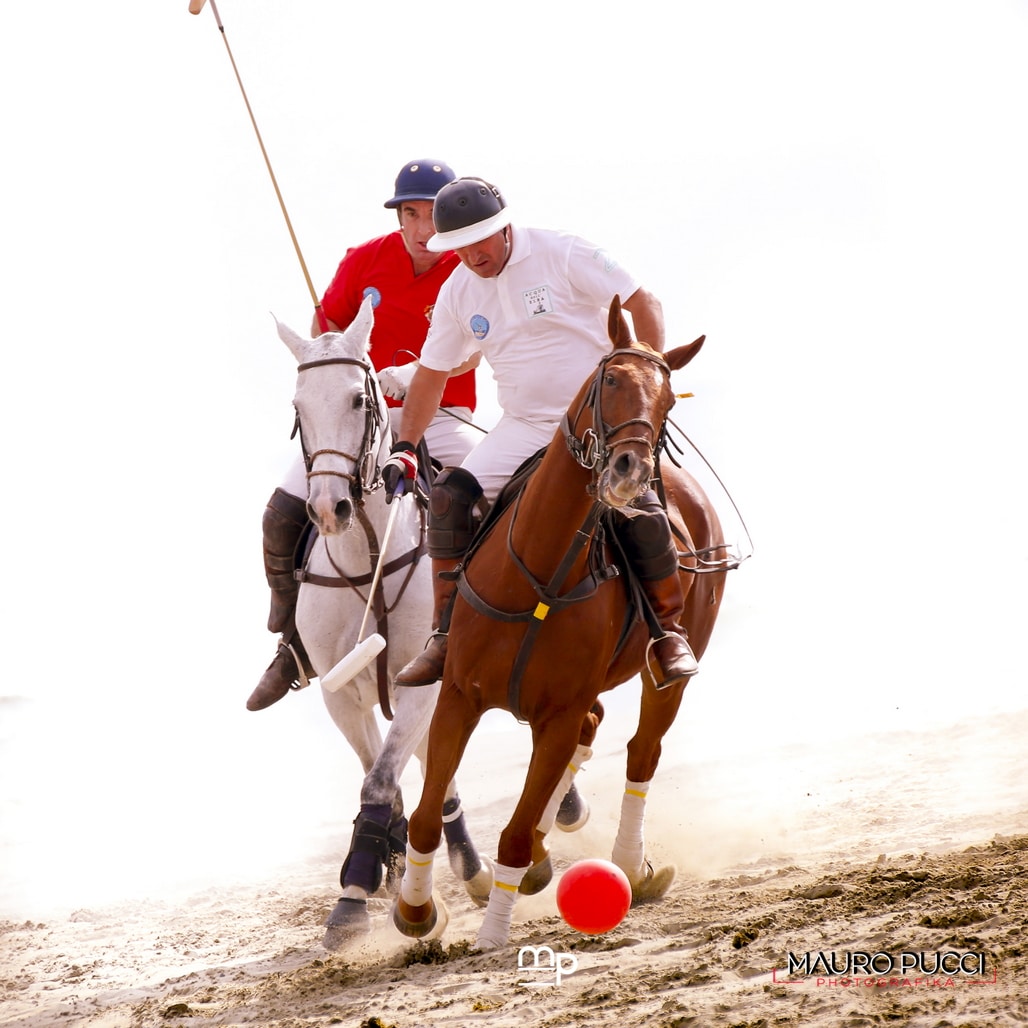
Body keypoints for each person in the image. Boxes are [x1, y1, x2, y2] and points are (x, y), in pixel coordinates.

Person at [381, 176, 699, 691]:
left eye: (480, 240)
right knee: (447, 497)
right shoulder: (457, 290)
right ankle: (444, 633)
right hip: (523, 427)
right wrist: (405, 448)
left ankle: (667, 632)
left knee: (639, 509)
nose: (471, 256)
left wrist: (645, 378)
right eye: (458, 247)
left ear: (505, 227)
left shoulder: (563, 252)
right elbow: (433, 375)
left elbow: (645, 302)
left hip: (600, 424)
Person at [247, 159, 480, 712]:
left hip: (446, 414)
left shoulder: (467, 269)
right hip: (360, 421)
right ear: (399, 218)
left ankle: (488, 627)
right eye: (410, 214)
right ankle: (295, 644)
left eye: (430, 215)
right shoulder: (364, 260)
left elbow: (472, 348)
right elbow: (322, 333)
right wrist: (344, 363)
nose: (422, 228)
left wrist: (418, 372)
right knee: (282, 510)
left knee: (484, 499)